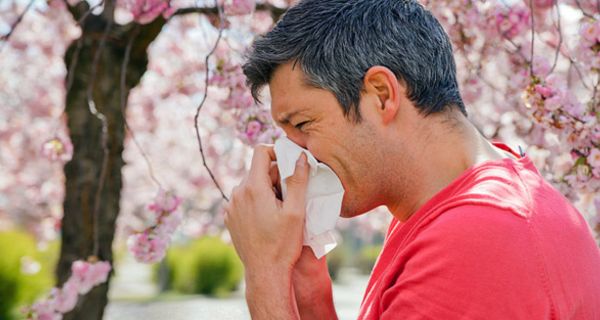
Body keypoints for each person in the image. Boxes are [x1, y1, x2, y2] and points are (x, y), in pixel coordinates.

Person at [223, 0, 600, 319]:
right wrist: (305, 281)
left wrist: (266, 275)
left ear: (382, 95)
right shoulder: (460, 207)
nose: (297, 155)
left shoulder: (478, 237)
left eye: (304, 124)